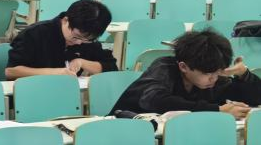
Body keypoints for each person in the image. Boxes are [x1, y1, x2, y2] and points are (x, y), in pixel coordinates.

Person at [111, 29, 261, 118]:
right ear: (184, 67)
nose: (213, 79)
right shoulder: (164, 67)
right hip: (123, 129)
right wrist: (218, 110)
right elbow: (154, 100)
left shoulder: (211, 76)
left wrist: (244, 75)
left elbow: (254, 98)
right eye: (208, 74)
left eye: (217, 73)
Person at [5, 0, 117, 78]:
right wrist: (56, 73)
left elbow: (111, 67)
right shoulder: (34, 34)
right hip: (32, 93)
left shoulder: (87, 39)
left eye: (87, 39)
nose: (79, 43)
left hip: (68, 95)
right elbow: (11, 71)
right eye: (76, 37)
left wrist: (82, 62)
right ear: (65, 20)